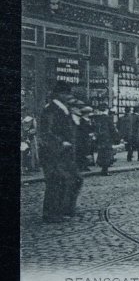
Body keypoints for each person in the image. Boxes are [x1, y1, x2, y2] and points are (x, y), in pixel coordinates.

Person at [38, 81, 82, 223]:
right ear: (60, 94)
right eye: (67, 93)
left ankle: (66, 210)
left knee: (74, 179)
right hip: (53, 154)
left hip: (65, 154)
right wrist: (61, 143)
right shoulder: (51, 109)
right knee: (56, 181)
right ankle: (51, 214)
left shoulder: (65, 109)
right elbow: (46, 132)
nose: (69, 96)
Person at [92, 103, 118, 176]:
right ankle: (105, 170)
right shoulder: (108, 118)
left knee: (101, 153)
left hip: (100, 138)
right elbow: (112, 129)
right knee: (107, 154)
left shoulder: (97, 118)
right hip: (107, 138)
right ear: (106, 109)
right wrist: (116, 137)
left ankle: (102, 168)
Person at [21, 106, 40, 173]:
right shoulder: (21, 120)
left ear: (26, 111)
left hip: (31, 138)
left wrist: (30, 132)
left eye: (24, 111)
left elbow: (35, 129)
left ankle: (33, 167)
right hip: (23, 139)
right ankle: (25, 167)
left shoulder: (31, 119)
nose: (22, 112)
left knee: (32, 152)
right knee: (24, 153)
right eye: (22, 111)